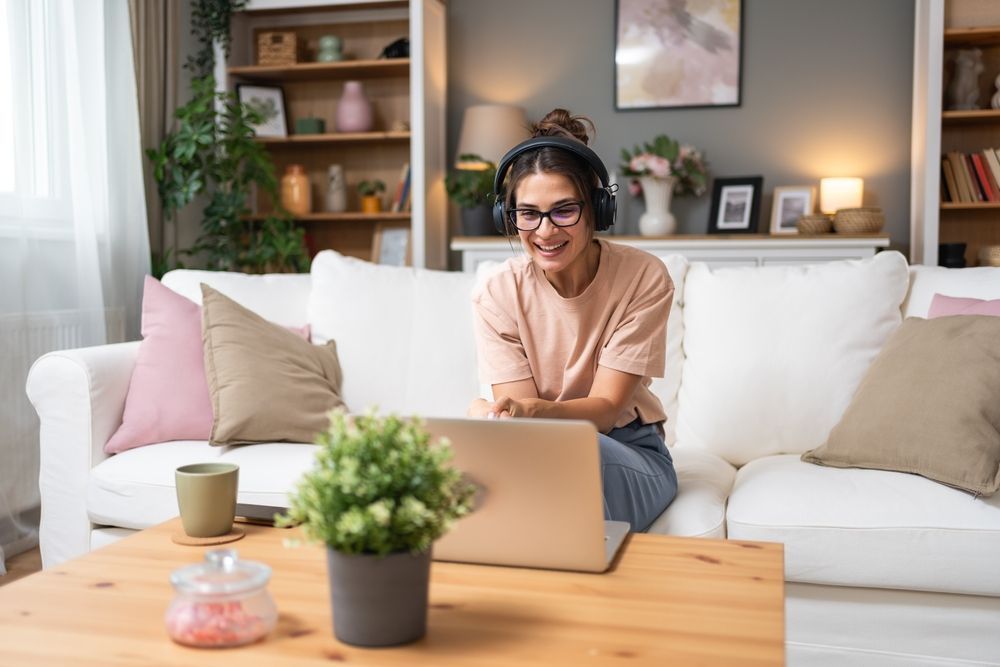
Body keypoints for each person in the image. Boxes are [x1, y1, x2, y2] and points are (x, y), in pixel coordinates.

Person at [467, 108, 678, 532]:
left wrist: (525, 412)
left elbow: (603, 412)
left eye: (564, 211)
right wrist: (496, 419)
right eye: (528, 213)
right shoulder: (497, 292)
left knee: (573, 464)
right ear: (508, 217)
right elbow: (521, 430)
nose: (544, 231)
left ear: (598, 208)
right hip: (539, 449)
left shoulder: (643, 277)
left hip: (629, 451)